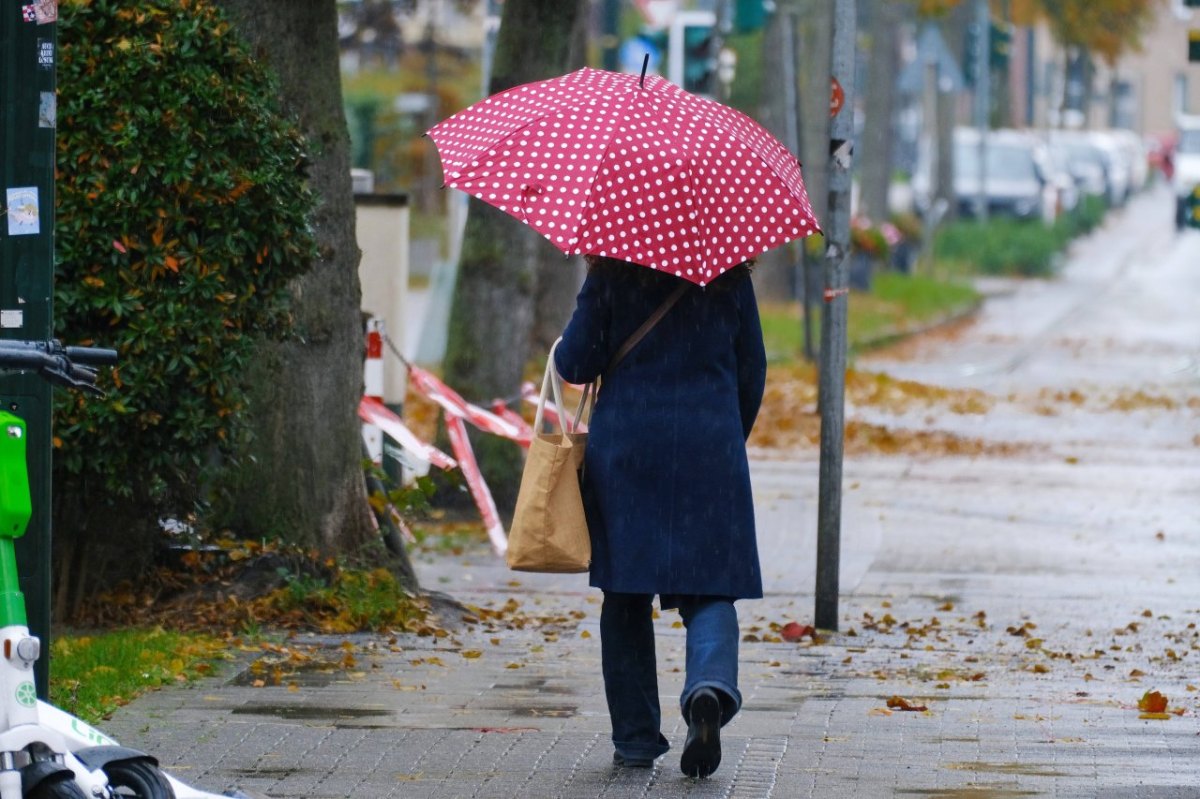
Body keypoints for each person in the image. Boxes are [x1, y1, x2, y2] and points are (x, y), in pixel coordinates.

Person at [553, 255, 767, 779]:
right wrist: (723, 435)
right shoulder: (729, 274)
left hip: (628, 450)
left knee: (625, 596)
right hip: (709, 447)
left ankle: (635, 738)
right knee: (712, 588)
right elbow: (753, 370)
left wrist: (577, 328)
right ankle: (708, 690)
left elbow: (576, 365)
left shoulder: (610, 274)